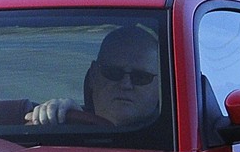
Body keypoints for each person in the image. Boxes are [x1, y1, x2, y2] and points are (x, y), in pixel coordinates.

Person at [25, 26, 161, 127]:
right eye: (113, 73)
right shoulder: (63, 126)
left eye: (141, 77)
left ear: (161, 85)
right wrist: (53, 116)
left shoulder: (177, 141)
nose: (126, 84)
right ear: (93, 76)